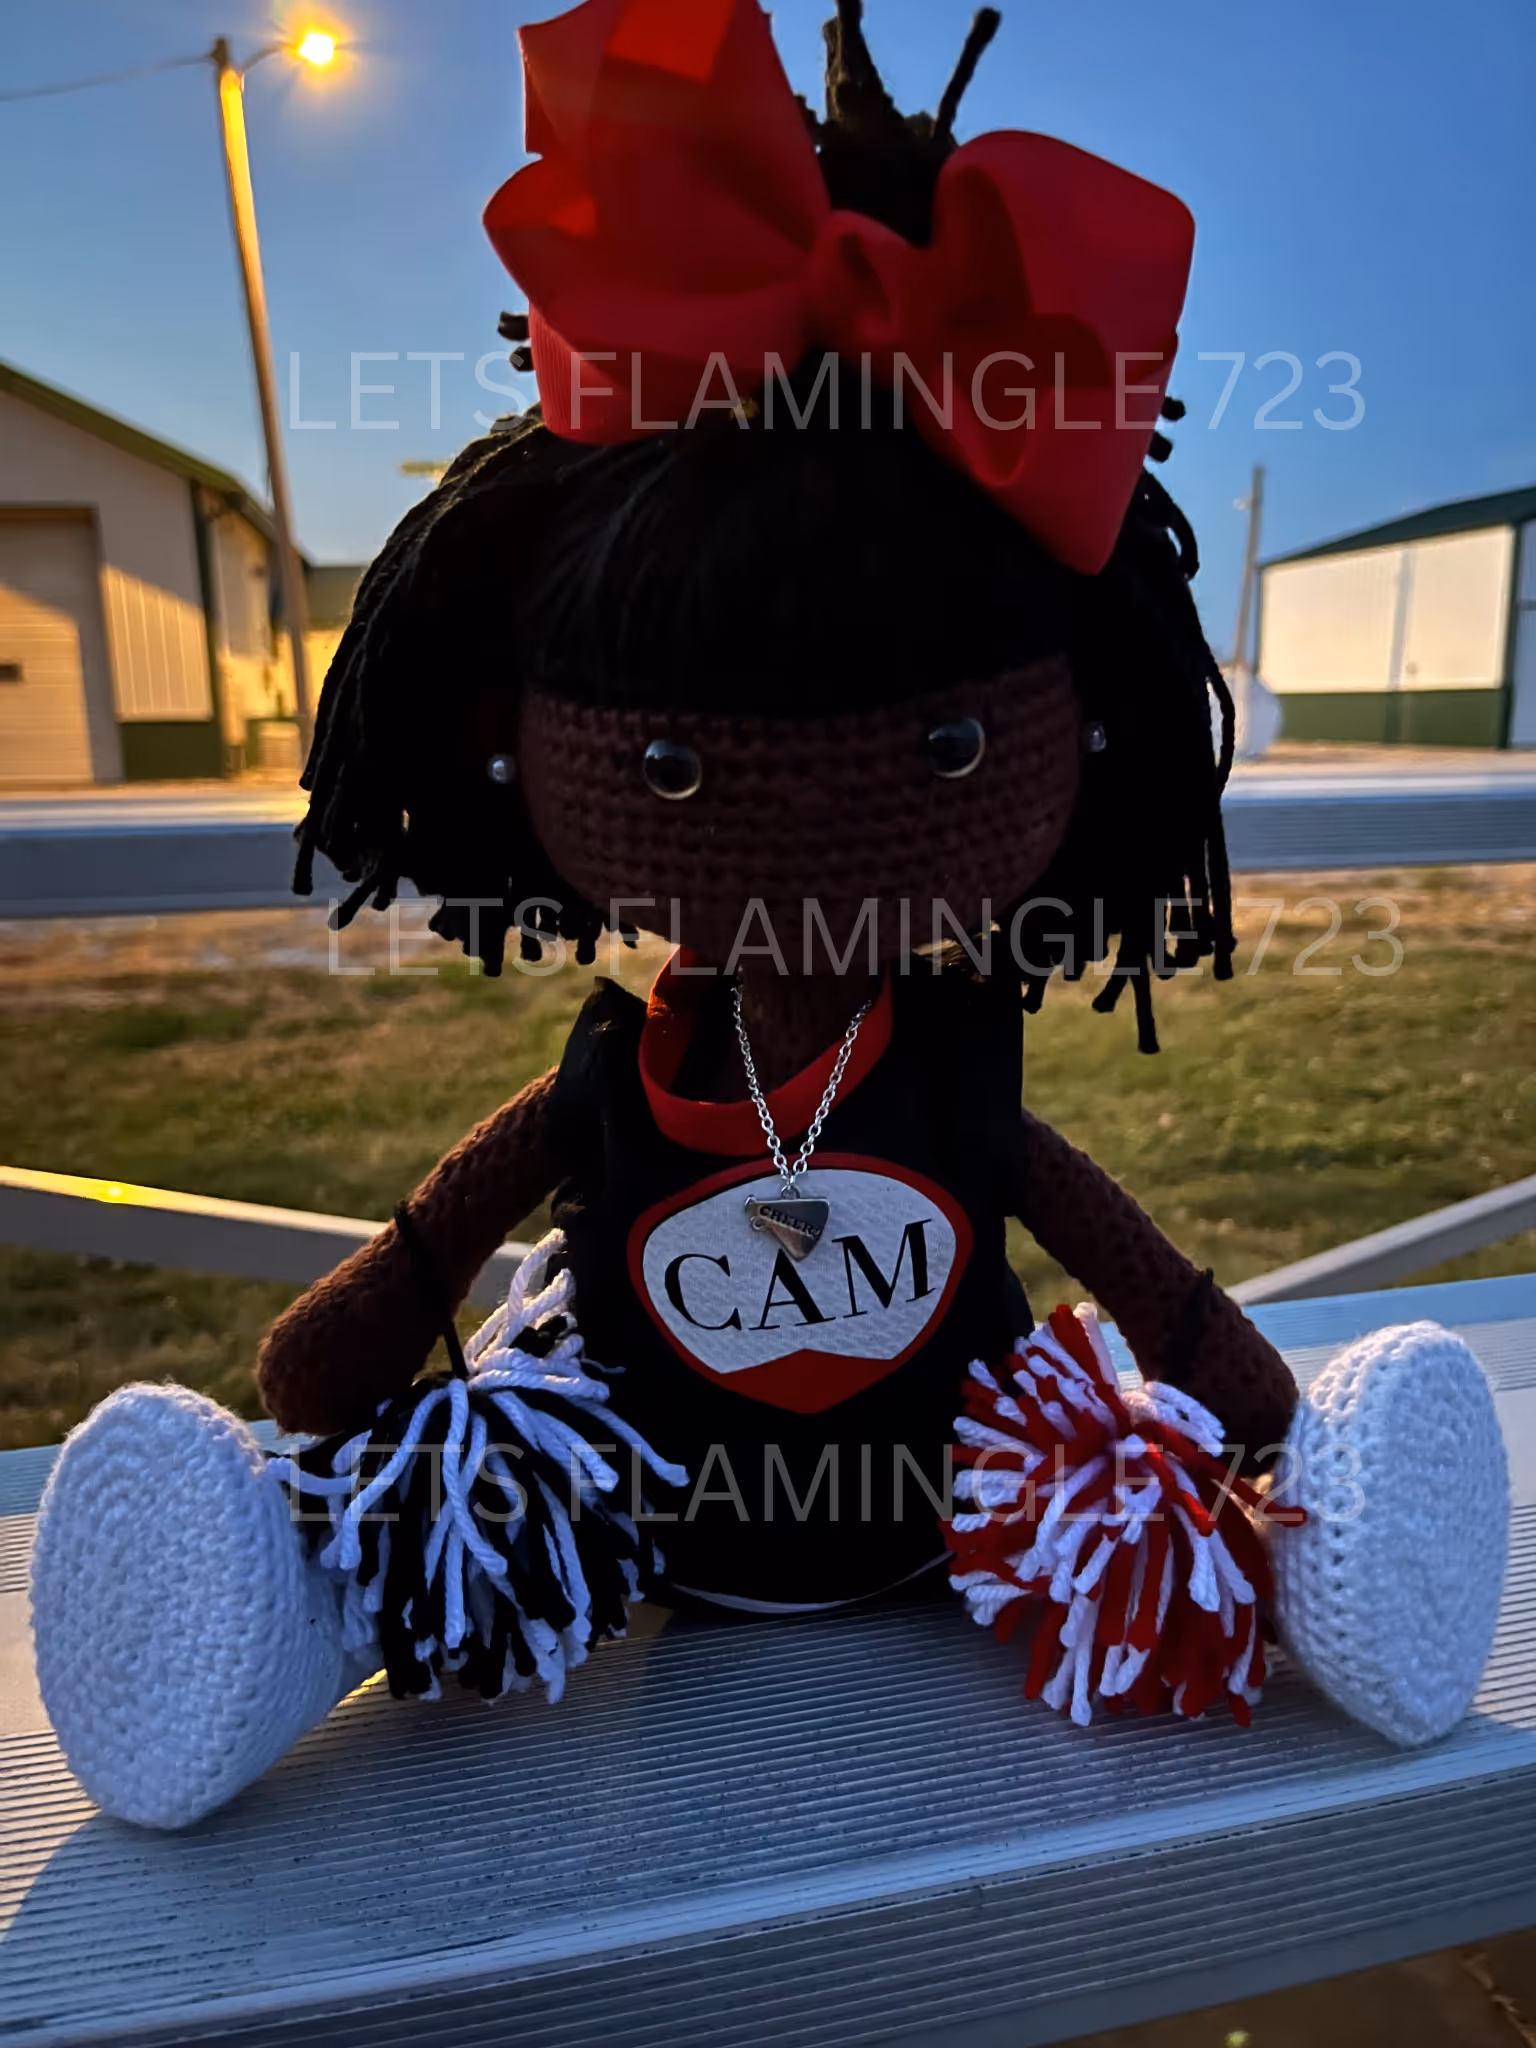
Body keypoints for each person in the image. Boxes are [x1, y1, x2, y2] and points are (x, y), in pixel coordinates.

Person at [29, 0, 1507, 1830]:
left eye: (945, 744)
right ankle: (264, 1615)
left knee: (1125, 1520)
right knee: (485, 1481)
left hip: (953, 1497)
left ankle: (1328, 1564)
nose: (799, 828)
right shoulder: (614, 1071)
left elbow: (1133, 1271)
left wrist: (1251, 1403)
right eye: (669, 769)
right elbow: (410, 1268)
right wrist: (346, 1354)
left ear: (1083, 731)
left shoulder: (957, 1065)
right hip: (640, 1490)